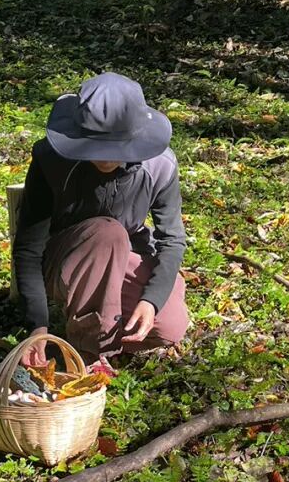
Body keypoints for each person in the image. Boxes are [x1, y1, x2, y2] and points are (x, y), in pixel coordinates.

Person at [12, 72, 190, 364]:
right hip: (63, 261)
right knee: (108, 232)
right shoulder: (51, 159)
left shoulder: (160, 166)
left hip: (126, 254)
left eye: (116, 149)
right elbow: (29, 247)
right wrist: (37, 325)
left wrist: (151, 300)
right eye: (96, 148)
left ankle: (103, 324)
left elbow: (172, 240)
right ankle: (90, 351)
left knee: (169, 328)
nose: (106, 159)